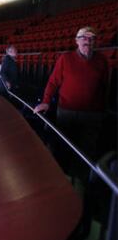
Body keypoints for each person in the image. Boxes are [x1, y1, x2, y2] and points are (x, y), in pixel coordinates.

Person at [33, 26, 108, 159]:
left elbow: (103, 87)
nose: (88, 41)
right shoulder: (65, 58)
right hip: (67, 112)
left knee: (87, 151)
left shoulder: (102, 61)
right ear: (76, 41)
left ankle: (80, 177)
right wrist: (46, 101)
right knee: (63, 147)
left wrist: (102, 110)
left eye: (91, 38)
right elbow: (53, 82)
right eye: (84, 38)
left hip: (92, 115)